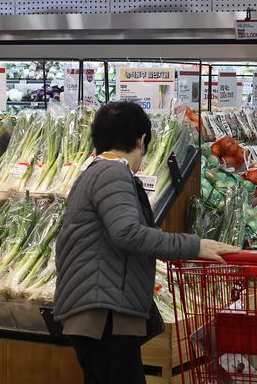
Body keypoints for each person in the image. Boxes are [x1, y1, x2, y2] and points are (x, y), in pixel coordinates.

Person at [54, 101, 239, 384]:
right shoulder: (112, 173)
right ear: (141, 140)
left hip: (95, 313)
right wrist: (194, 245)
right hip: (106, 315)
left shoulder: (93, 172)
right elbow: (127, 232)